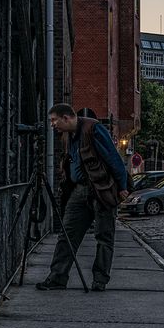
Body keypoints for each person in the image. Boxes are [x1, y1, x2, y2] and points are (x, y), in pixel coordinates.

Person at [36, 103, 129, 292]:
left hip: (101, 189)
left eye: (54, 120)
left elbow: (113, 157)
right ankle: (57, 278)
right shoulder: (68, 136)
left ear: (66, 118)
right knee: (67, 233)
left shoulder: (93, 128)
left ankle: (99, 280)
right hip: (80, 190)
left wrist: (122, 186)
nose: (52, 125)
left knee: (104, 236)